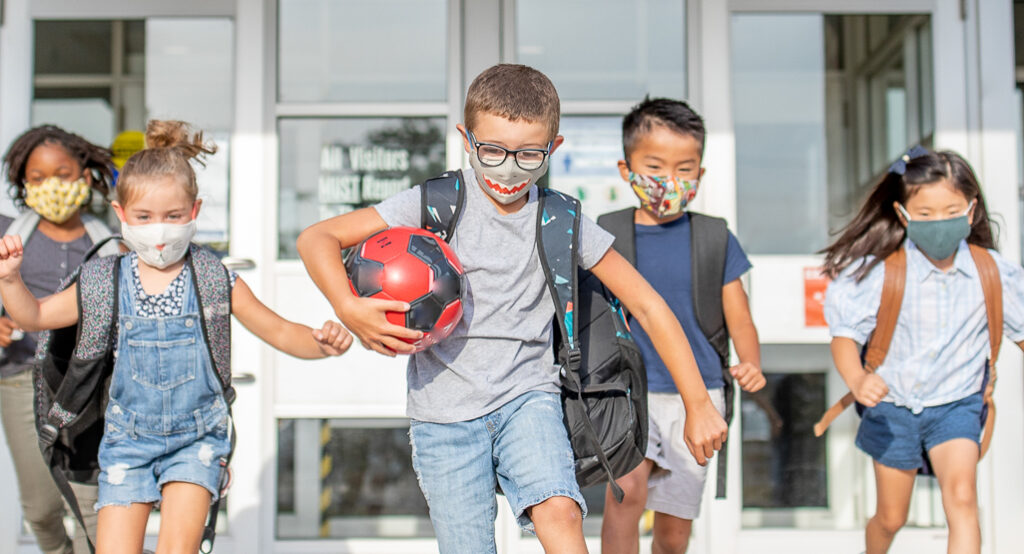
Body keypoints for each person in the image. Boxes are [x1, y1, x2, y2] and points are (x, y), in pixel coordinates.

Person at [296, 64, 728, 554]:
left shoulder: (561, 217)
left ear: (553, 149)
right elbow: (317, 238)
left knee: (561, 513)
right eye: (493, 151)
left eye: (528, 155)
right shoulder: (438, 201)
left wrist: (698, 404)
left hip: (529, 399)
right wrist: (348, 307)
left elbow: (648, 306)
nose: (508, 169)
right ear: (466, 138)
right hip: (444, 415)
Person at [0, 120, 354, 554]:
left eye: (173, 216)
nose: (160, 230)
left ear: (195, 211)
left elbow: (279, 330)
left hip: (196, 439)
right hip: (126, 441)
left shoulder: (212, 278)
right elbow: (34, 316)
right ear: (121, 214)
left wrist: (323, 343)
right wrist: (10, 280)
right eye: (145, 217)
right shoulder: (103, 280)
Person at [821, 147, 1024, 554]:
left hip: (957, 406)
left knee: (962, 499)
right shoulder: (882, 271)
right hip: (894, 409)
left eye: (951, 210)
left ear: (971, 210)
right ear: (902, 214)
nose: (939, 223)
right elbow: (845, 337)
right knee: (892, 516)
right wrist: (858, 379)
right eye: (926, 214)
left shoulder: (994, 273)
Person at [598, 98, 766, 554]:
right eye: (654, 165)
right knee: (626, 495)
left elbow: (740, 317)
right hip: (626, 392)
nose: (669, 180)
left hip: (699, 397)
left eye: (685, 168)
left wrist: (750, 360)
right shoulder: (604, 236)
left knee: (673, 530)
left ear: (701, 175)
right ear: (626, 167)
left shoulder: (714, 238)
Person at [0, 125, 118, 554]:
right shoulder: (6, 235)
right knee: (41, 509)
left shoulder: (111, 243)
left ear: (84, 177)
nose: (51, 185)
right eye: (37, 178)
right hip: (20, 381)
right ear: (23, 184)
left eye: (63, 173)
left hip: (94, 389)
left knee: (93, 507)